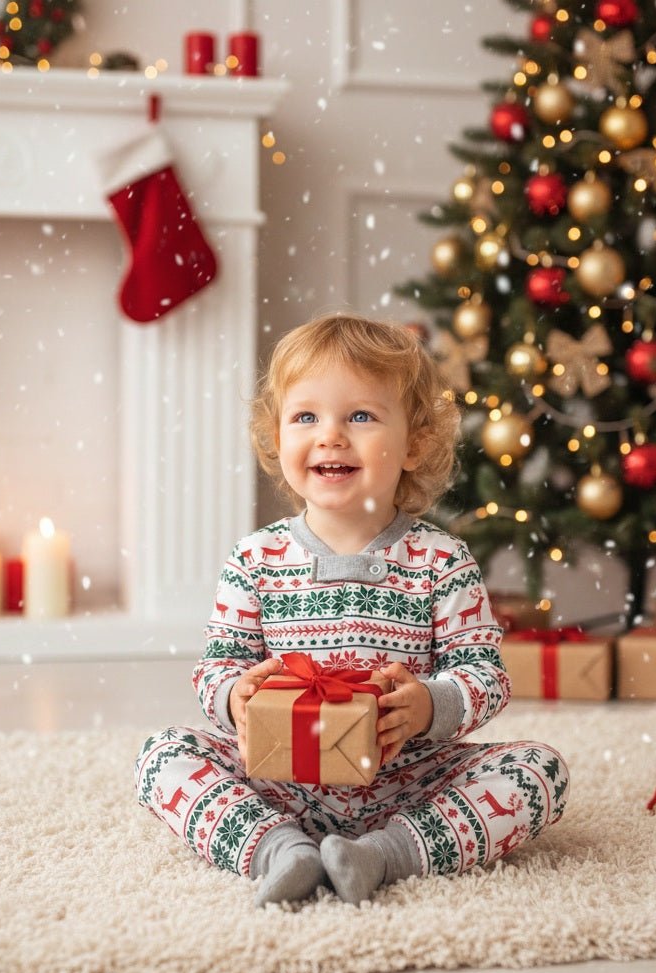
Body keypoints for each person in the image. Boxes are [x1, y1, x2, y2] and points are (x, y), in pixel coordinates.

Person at [135, 313, 568, 906]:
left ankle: (382, 854)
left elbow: (485, 676)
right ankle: (281, 850)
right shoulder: (254, 558)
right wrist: (234, 696)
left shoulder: (442, 560)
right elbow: (218, 665)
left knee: (539, 769)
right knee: (162, 753)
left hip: (407, 782)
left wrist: (427, 705)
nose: (331, 436)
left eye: (360, 416)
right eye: (305, 417)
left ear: (415, 444)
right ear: (277, 437)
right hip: (281, 778)